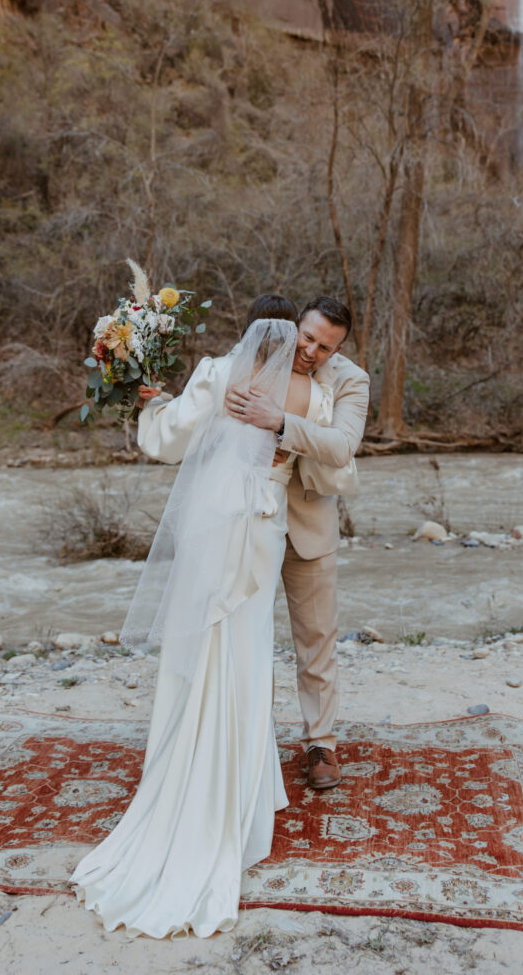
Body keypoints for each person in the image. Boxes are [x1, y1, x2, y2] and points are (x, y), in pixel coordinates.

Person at [71, 303, 353, 939]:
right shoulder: (309, 393)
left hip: (211, 521)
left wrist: (149, 399)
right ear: (290, 339)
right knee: (248, 654)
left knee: (196, 648)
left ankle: (181, 770)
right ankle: (245, 799)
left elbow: (167, 441)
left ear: (249, 331)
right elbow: (333, 457)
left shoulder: (219, 372)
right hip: (262, 527)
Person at [225, 297, 370, 790]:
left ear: (339, 348)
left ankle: (320, 743)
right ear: (297, 325)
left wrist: (280, 422)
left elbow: (342, 445)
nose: (310, 351)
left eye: (325, 347)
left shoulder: (352, 380)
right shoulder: (264, 356)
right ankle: (250, 740)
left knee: (316, 640)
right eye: (307, 337)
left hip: (310, 524)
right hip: (246, 521)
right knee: (246, 635)